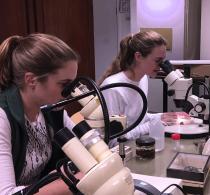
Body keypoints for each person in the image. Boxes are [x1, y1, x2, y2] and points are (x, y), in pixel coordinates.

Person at [0, 33, 79, 194]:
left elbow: (89, 149)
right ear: (31, 80)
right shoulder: (3, 117)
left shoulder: (52, 111)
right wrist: (63, 184)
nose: (69, 92)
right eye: (64, 84)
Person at [98, 31, 167, 140]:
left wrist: (162, 117)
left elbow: (138, 119)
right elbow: (115, 140)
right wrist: (152, 125)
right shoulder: (112, 88)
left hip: (134, 145)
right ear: (138, 56)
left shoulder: (143, 79)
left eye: (163, 60)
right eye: (158, 60)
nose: (162, 66)